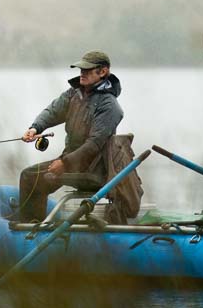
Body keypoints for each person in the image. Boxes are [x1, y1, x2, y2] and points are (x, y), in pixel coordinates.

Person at [19, 50, 140, 224]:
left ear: (103, 72)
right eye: (80, 69)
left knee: (30, 177)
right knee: (31, 177)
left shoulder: (110, 106)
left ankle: (30, 230)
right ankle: (34, 226)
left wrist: (64, 163)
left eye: (87, 69)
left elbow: (94, 145)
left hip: (93, 168)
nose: (82, 73)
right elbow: (53, 111)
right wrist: (35, 127)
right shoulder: (73, 94)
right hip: (71, 161)